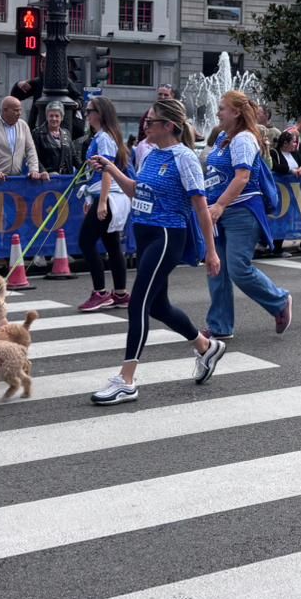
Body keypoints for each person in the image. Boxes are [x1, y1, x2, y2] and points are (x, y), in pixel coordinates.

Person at [85, 97, 224, 405]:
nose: (145, 126)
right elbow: (137, 190)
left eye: (151, 122)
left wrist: (211, 251)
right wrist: (110, 167)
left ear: (169, 127)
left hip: (166, 236)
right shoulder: (150, 154)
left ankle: (126, 380)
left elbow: (200, 207)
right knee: (159, 306)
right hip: (145, 233)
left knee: (139, 304)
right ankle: (206, 347)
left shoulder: (184, 158)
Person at [204, 91, 293, 342]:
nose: (218, 112)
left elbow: (242, 177)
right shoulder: (223, 137)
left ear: (236, 113)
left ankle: (279, 300)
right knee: (215, 269)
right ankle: (220, 325)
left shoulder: (243, 139)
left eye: (222, 108)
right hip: (220, 212)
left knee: (238, 268)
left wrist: (219, 205)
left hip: (240, 211)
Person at [76, 97, 131, 312]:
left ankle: (100, 292)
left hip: (108, 196)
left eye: (90, 110)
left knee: (86, 242)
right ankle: (119, 292)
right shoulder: (103, 137)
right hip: (107, 195)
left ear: (100, 113)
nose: (87, 114)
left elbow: (107, 171)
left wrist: (102, 202)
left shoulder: (104, 138)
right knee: (112, 244)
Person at [0, 95, 47, 182]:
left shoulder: (23, 126)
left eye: (20, 110)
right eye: (16, 110)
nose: (19, 113)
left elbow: (30, 150)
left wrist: (34, 170)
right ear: (5, 110)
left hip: (16, 180)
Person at [265, 131, 301, 259]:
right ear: (285, 143)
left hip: (294, 193)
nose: (295, 144)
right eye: (293, 142)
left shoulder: (294, 153)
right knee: (279, 219)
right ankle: (274, 247)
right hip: (280, 192)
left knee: (288, 219)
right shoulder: (274, 153)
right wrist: (291, 170)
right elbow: (275, 167)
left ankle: (278, 246)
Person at [32, 103, 77, 176]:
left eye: (57, 116)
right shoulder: (37, 133)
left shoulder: (66, 133)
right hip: (47, 178)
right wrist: (43, 171)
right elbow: (34, 157)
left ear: (62, 118)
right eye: (51, 116)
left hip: (66, 178)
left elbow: (74, 156)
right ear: (47, 117)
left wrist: (86, 167)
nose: (54, 119)